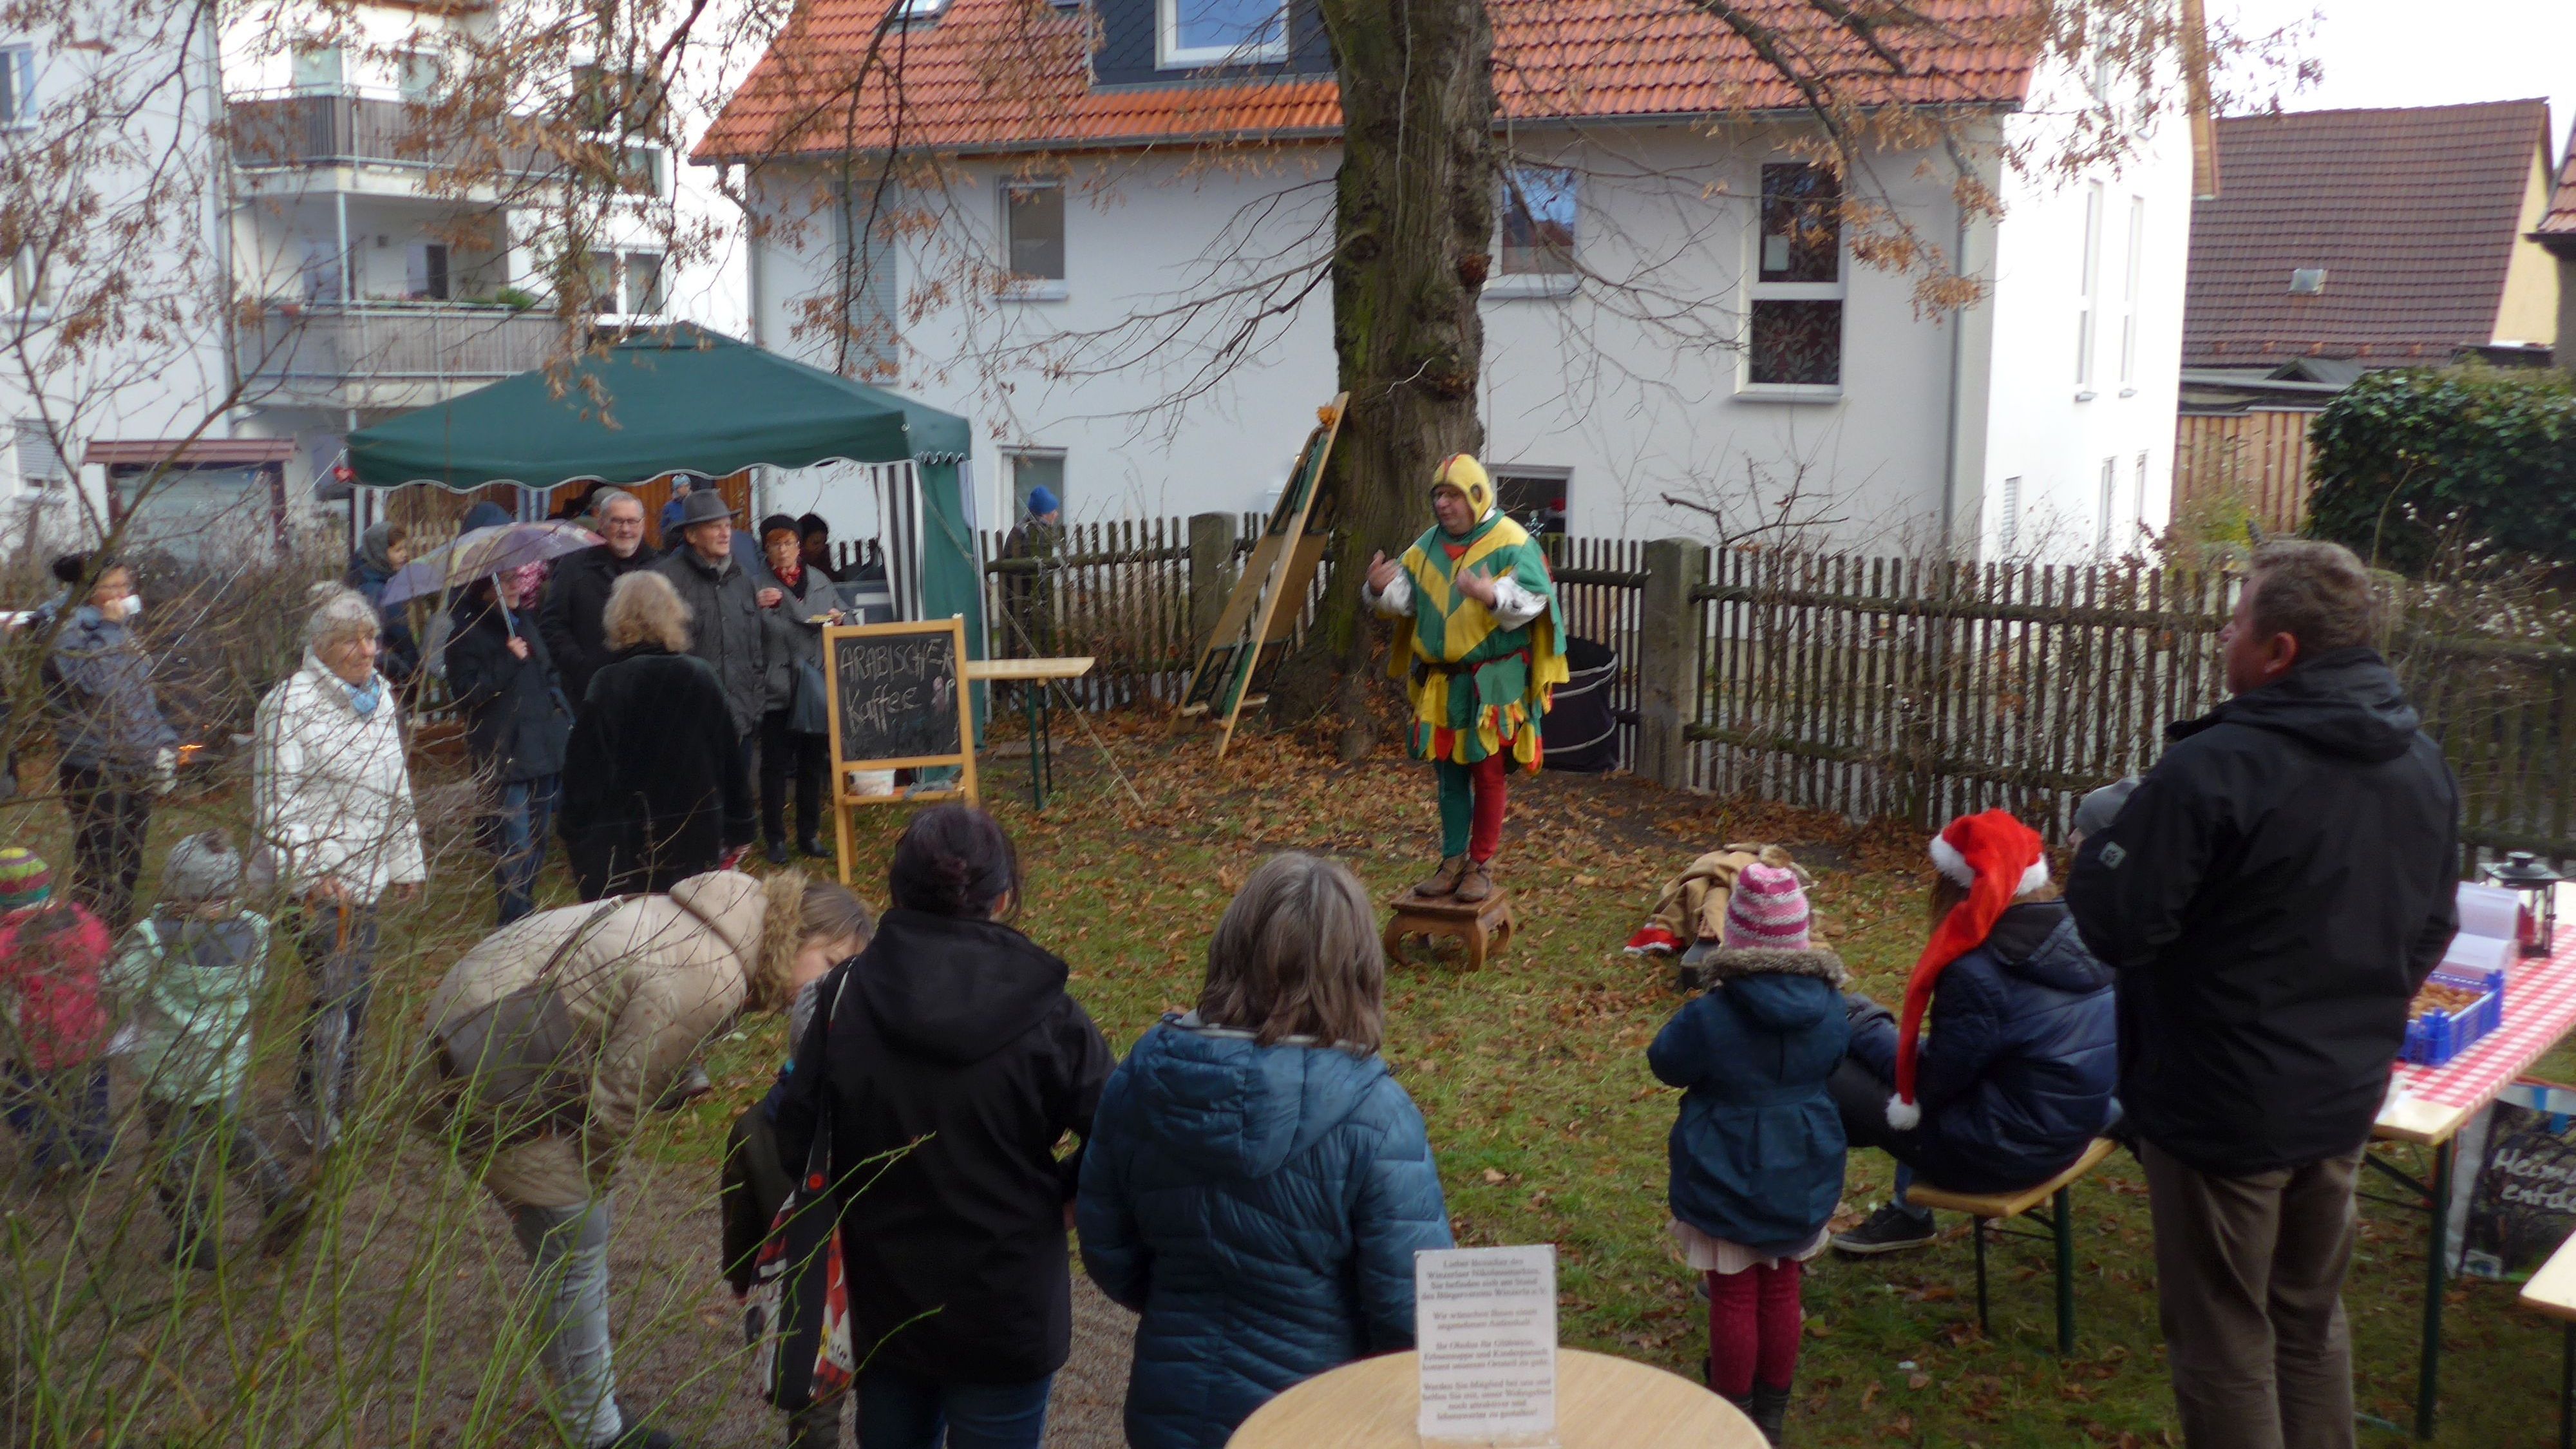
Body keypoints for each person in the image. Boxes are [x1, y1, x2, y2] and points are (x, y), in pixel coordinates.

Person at [2067, 538, 2458, 1449]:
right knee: (2309, 1317)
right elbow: (2431, 926)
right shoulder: (2419, 761)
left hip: (2223, 1109)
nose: (2224, 634)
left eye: (2237, 620)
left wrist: (2098, 860)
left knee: (2224, 1334)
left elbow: (2120, 925)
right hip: (2342, 1094)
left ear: (2278, 650)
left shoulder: (2216, 766)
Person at [424, 870, 860, 1449]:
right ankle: (596, 1431)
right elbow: (616, 1100)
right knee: (576, 1241)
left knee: (564, 1247)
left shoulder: (728, 921)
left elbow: (638, 1005)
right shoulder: (715, 969)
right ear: (804, 931)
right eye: (831, 961)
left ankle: (580, 1399)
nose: (827, 985)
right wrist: (596, 1179)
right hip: (489, 1062)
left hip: (494, 1025)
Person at [1076, 852, 1453, 1449]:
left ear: (1234, 945)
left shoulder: (1142, 1081)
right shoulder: (1380, 1120)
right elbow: (1412, 1314)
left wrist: (1186, 1302)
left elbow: (1107, 1246)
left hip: (1170, 1404)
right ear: (1357, 969)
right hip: (1315, 1420)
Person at [772, 805, 1113, 1449]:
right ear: (1004, 897)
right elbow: (1123, 1135)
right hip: (1003, 1305)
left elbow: (796, 1138)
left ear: (895, 892)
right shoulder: (1052, 1016)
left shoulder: (839, 1004)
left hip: (885, 1299)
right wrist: (1063, 1196)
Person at [1826, 810, 2117, 1256]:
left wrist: (1861, 1022)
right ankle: (1903, 1213)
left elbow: (1927, 1086)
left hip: (1999, 1156)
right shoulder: (2078, 932)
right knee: (1875, 1064)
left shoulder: (1980, 970)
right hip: (2064, 1132)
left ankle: (1777, 1231)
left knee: (1825, 1065)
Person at [1647, 860, 1847, 1441]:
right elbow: (1835, 1061)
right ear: (1799, 936)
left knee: (1733, 1292)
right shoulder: (1833, 1008)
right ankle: (1772, 1416)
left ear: (1736, 937)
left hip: (1724, 1163)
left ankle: (1731, 1415)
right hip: (1804, 1161)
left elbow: (1665, 1063)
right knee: (1783, 1281)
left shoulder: (1712, 1015)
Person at [252, 583, 428, 1151]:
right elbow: (277, 803)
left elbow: (395, 785)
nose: (365, 649)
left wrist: (406, 861)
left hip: (367, 878)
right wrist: (308, 873)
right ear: (320, 646)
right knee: (337, 992)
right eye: (350, 640)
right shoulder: (289, 705)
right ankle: (314, 1107)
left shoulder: (380, 698)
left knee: (357, 995)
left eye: (371, 637)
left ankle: (335, 1098)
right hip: (316, 889)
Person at [1362, 454, 1566, 904]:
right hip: (1442, 683)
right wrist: (1379, 589)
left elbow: (1534, 599)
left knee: (1488, 772)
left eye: (1452, 495)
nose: (1443, 505)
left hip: (1493, 684)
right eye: (1438, 495)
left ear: (1476, 495)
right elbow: (1405, 599)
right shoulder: (1427, 546)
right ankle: (1451, 862)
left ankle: (1480, 865)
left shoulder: (1512, 541)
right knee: (1449, 775)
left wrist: (1490, 594)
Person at [719, 884, 877, 1449]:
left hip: (803, 1291)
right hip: (875, 1283)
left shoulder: (755, 1129)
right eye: (832, 962)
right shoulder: (877, 1127)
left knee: (813, 1403)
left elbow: (740, 1213)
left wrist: (741, 1275)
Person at [106, 831, 307, 1268]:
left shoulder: (154, 938)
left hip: (170, 1069)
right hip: (223, 1064)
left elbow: (118, 985)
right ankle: (280, 1198)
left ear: (176, 885)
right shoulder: (254, 929)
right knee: (229, 1134)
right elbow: (254, 986)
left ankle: (194, 1239)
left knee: (169, 1154)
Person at [558, 572, 753, 899]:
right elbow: (731, 761)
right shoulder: (701, 676)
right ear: (673, 613)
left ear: (616, 618)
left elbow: (584, 776)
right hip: (698, 838)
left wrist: (574, 833)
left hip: (629, 844)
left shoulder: (609, 684)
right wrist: (741, 826)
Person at [42, 553, 178, 931]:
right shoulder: (67, 630)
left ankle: (115, 949)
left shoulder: (116, 628)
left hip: (134, 762)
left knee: (129, 865)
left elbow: (139, 698)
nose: (123, 595)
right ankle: (89, 950)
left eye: (126, 586)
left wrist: (163, 745)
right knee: (100, 869)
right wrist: (112, 630)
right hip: (94, 765)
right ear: (88, 591)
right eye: (112, 587)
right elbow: (96, 685)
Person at [446, 565, 573, 925]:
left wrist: (561, 711)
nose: (516, 586)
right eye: (506, 581)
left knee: (539, 838)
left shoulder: (525, 622)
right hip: (505, 754)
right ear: (485, 587)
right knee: (514, 843)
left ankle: (525, 910)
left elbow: (548, 672)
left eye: (518, 579)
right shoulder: (465, 636)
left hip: (545, 746)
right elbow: (467, 695)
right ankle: (514, 920)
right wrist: (508, 658)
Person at [0, 848, 115, 1181]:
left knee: (23, 1101)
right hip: (89, 1037)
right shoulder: (84, 923)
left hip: (35, 1047)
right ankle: (95, 1155)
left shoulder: (8, 941)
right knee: (91, 1097)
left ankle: (52, 1160)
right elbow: (105, 951)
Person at [654, 488, 772, 761]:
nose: (725, 533)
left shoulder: (742, 578)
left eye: (728, 526)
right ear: (691, 536)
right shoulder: (665, 581)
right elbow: (658, 655)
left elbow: (754, 648)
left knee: (737, 801)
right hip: (688, 725)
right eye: (714, 527)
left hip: (739, 720)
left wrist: (755, 708)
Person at [756, 515, 838, 865]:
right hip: (775, 687)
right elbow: (741, 628)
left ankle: (809, 834)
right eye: (775, 544)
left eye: (789, 543)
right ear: (767, 550)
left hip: (814, 684)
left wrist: (839, 619)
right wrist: (754, 606)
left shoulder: (818, 580)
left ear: (799, 546)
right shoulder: (755, 585)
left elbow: (842, 616)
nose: (783, 550)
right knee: (774, 766)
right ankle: (775, 838)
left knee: (812, 764)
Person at [540, 488, 659, 708]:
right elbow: (552, 625)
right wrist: (583, 668)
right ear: (601, 523)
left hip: (650, 694)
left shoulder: (661, 568)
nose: (626, 529)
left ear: (643, 525)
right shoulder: (573, 567)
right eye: (617, 521)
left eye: (632, 521)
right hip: (590, 696)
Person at [343, 520, 421, 684]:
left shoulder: (361, 577)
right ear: (380, 554)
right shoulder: (377, 592)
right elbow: (398, 635)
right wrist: (407, 670)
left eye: (404, 548)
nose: (404, 555)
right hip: (385, 676)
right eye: (397, 550)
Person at [996, 485, 1062, 656]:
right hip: (1023, 600)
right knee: (1027, 645)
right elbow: (1034, 572)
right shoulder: (1032, 533)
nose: (1056, 514)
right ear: (1044, 513)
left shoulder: (1025, 527)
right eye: (1052, 510)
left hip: (1021, 599)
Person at [796, 513, 840, 583]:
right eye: (816, 543)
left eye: (824, 542)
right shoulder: (793, 568)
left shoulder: (823, 563)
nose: (821, 547)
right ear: (801, 543)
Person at [657, 475, 694, 544]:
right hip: (675, 543)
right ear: (676, 489)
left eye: (687, 486)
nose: (685, 489)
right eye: (681, 487)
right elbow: (664, 528)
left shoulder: (695, 503)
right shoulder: (669, 507)